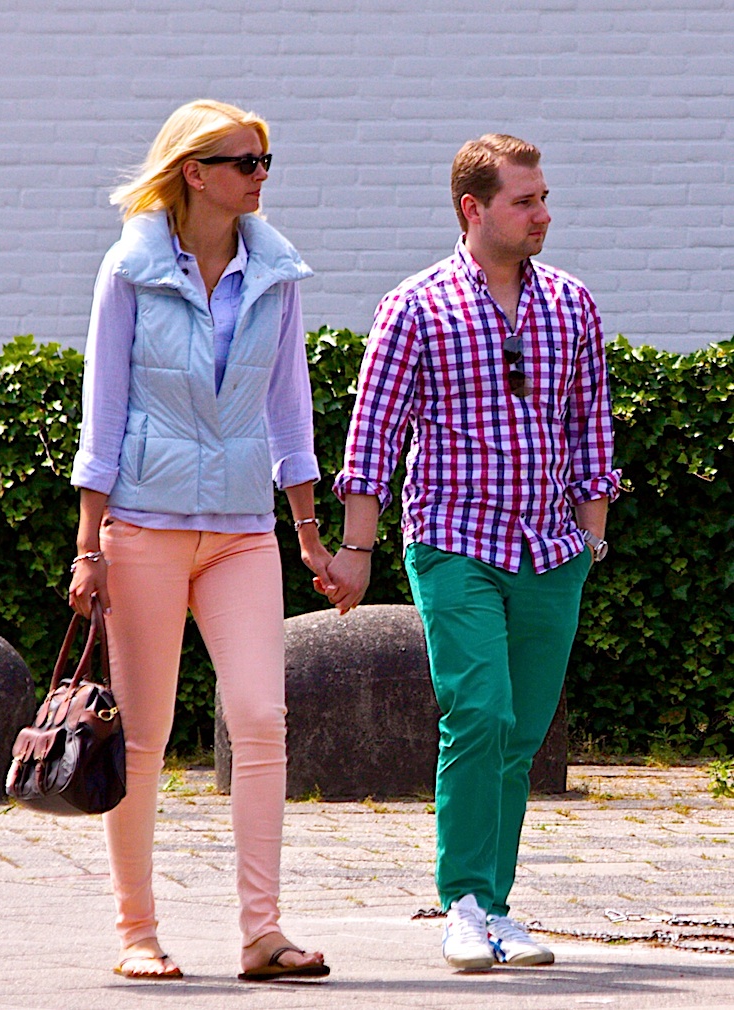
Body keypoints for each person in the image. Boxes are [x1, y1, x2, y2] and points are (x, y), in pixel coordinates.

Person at [325, 134, 621, 970]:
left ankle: (497, 905)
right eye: (525, 201)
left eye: (543, 197)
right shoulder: (415, 306)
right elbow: (373, 436)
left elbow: (591, 427)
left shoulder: (571, 303)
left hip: (552, 551)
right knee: (480, 712)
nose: (543, 214)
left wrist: (590, 539)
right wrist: (356, 550)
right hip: (455, 543)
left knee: (520, 735)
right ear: (474, 208)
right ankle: (460, 901)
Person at [68, 99, 332, 983]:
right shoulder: (131, 268)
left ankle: (263, 934)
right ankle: (136, 930)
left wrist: (308, 532)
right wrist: (90, 545)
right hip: (144, 525)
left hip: (242, 531)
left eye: (265, 161)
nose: (261, 176)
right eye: (245, 162)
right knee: (143, 735)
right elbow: (102, 413)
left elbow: (289, 408)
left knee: (259, 716)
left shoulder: (276, 272)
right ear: (195, 172)